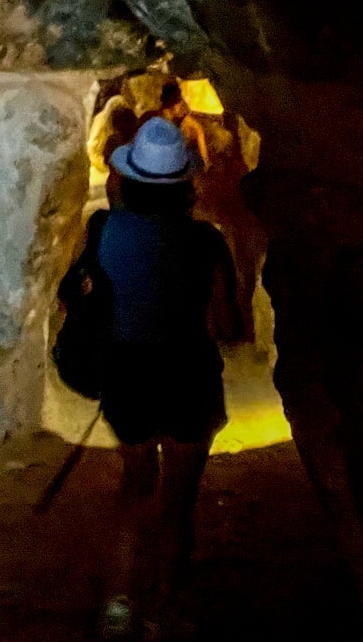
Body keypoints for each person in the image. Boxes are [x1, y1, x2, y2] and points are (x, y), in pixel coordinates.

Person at [93, 116, 245, 639]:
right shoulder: (207, 241)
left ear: (128, 179)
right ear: (186, 183)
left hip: (129, 374)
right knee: (178, 503)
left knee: (135, 489)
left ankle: (118, 603)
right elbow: (229, 325)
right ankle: (164, 609)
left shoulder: (104, 230)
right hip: (189, 376)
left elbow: (91, 309)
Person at [157, 79, 209, 166]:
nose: (181, 104)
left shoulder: (181, 117)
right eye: (178, 103)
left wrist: (205, 160)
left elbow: (199, 129)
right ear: (171, 105)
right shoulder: (161, 119)